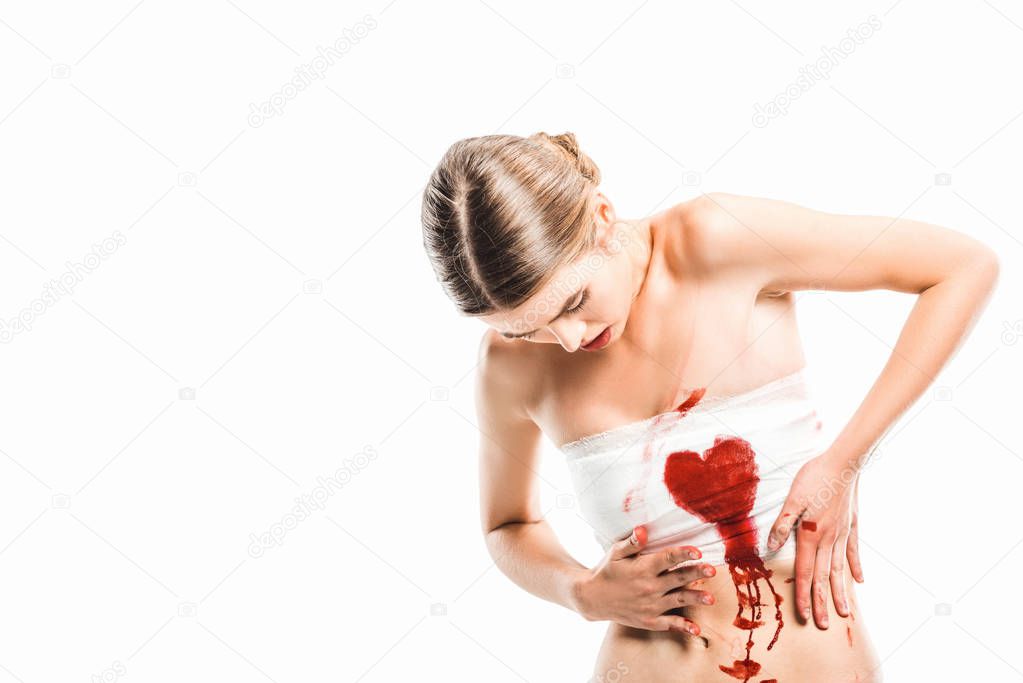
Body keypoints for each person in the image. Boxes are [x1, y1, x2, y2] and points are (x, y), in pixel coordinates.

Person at [419, 131, 999, 682]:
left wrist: (845, 459)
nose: (568, 339)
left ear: (602, 219)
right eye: (529, 330)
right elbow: (507, 525)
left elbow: (962, 268)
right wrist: (581, 592)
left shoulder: (718, 240)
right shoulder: (506, 367)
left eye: (574, 300)